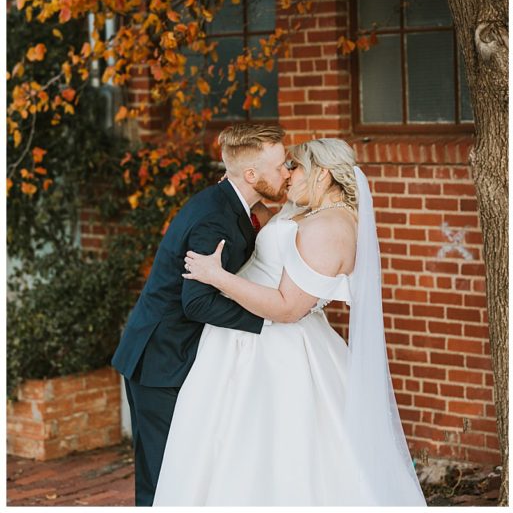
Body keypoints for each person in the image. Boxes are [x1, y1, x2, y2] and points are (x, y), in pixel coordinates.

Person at [152, 138, 426, 506]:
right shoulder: (308, 212)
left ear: (323, 174)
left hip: (274, 346)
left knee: (265, 449)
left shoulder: (330, 229)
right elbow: (266, 226)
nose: (288, 174)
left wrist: (217, 277)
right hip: (240, 338)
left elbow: (287, 308)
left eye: (295, 167)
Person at [112, 124, 291, 506]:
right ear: (251, 175)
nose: (286, 172)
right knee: (163, 479)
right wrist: (269, 319)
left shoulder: (229, 203)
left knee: (184, 471)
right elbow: (196, 301)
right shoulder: (215, 219)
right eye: (279, 166)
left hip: (177, 354)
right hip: (161, 359)